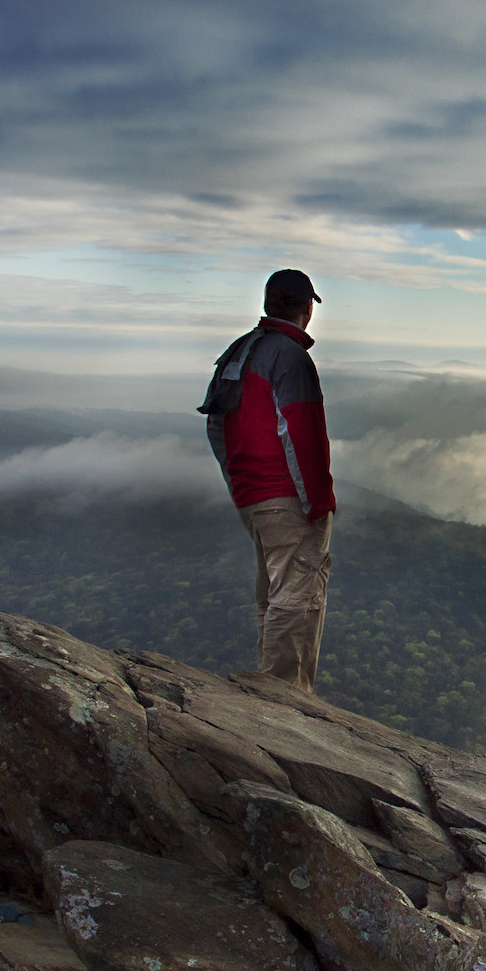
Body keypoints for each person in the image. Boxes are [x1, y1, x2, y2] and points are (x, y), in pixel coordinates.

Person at [199, 269, 336, 691]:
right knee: (297, 597)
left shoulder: (239, 352)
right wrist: (316, 500)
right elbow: (301, 431)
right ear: (306, 308)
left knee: (274, 598)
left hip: (253, 498)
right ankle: (284, 699)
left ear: (269, 301)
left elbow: (216, 427)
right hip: (287, 497)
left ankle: (268, 690)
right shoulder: (289, 356)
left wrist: (238, 483)